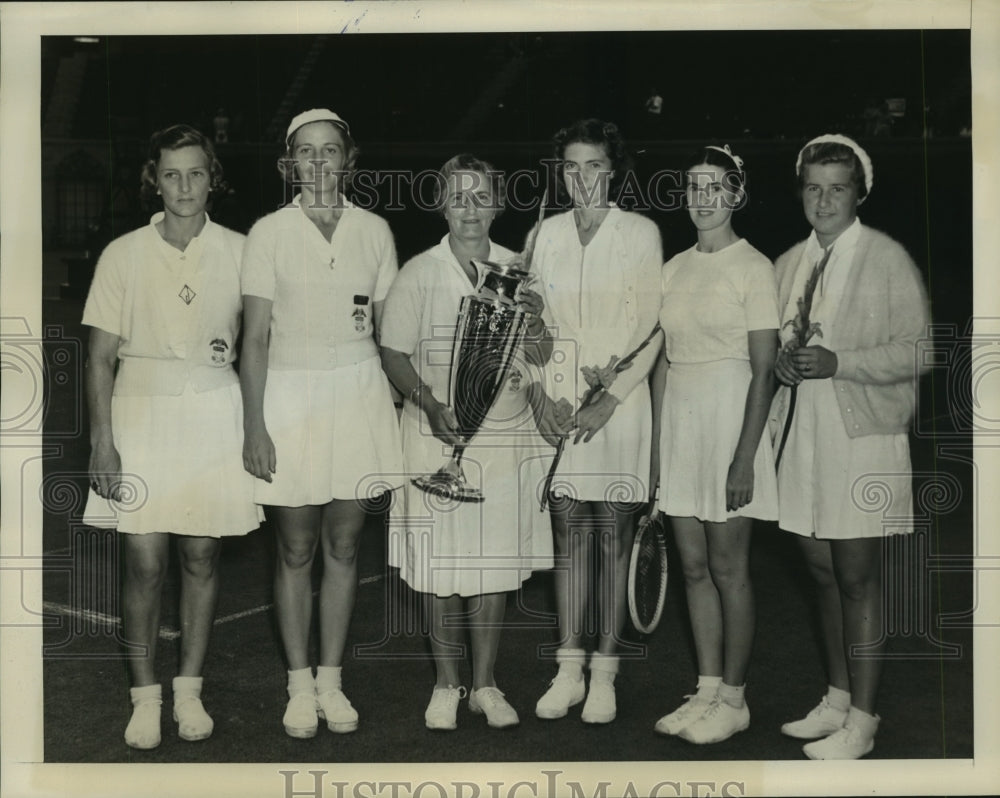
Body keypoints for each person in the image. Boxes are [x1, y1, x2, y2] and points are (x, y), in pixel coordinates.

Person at [82, 124, 262, 749]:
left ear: (213, 177)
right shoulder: (122, 254)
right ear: (153, 180)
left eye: (195, 173)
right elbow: (100, 358)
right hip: (140, 415)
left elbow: (263, 347)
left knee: (202, 556)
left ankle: (188, 691)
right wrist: (103, 442)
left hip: (215, 412)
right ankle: (144, 698)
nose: (184, 187)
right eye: (170, 174)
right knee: (144, 562)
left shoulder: (243, 250)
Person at [240, 108, 403, 738]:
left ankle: (331, 683)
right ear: (289, 163)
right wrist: (256, 426)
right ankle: (298, 686)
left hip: (359, 394)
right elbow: (253, 340)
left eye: (328, 151)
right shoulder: (267, 233)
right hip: (290, 397)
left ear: (347, 158)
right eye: (304, 153)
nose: (317, 163)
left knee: (343, 547)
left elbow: (390, 335)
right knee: (296, 547)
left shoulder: (375, 231)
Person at [380, 154, 554, 731]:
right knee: (440, 566)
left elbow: (543, 353)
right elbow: (393, 353)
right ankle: (444, 684)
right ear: (442, 204)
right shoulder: (418, 272)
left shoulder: (519, 271)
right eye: (459, 197)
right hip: (434, 434)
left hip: (502, 438)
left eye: (482, 197)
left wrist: (533, 324)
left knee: (492, 564)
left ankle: (486, 684)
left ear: (499, 204)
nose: (470, 210)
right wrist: (428, 403)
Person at [771, 134, 929, 759]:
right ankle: (837, 697)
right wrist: (784, 365)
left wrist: (842, 362)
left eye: (838, 187)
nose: (824, 199)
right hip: (801, 436)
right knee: (819, 570)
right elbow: (779, 346)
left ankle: (863, 720)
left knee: (857, 577)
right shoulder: (788, 263)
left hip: (861, 436)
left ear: (859, 192)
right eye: (814, 187)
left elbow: (916, 349)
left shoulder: (886, 257)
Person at [530, 118, 663, 724]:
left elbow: (652, 327)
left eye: (594, 166)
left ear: (614, 170)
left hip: (618, 406)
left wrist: (612, 397)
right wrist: (543, 394)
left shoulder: (640, 232)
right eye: (571, 166)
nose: (581, 178)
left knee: (611, 535)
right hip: (561, 409)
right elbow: (533, 330)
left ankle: (604, 672)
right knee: (566, 537)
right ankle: (568, 666)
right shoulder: (544, 234)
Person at [650, 144, 779, 744]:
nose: (702, 199)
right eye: (693, 188)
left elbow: (765, 370)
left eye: (715, 188)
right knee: (694, 568)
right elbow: (659, 364)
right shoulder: (672, 268)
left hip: (732, 421)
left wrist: (745, 455)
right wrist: (656, 451)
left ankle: (735, 698)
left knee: (730, 569)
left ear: (736, 195)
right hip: (681, 421)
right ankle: (705, 690)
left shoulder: (755, 268)